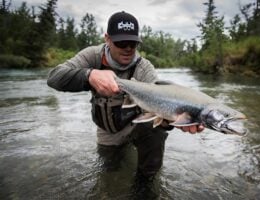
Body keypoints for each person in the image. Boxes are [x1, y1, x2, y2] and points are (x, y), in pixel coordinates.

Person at [47, 11, 204, 195]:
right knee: (110, 173)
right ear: (107, 39)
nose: (128, 48)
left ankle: (145, 185)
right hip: (107, 131)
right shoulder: (92, 56)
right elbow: (54, 77)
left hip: (135, 125)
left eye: (133, 43)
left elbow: (160, 104)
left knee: (155, 131)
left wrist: (174, 119)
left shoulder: (144, 69)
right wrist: (89, 75)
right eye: (121, 42)